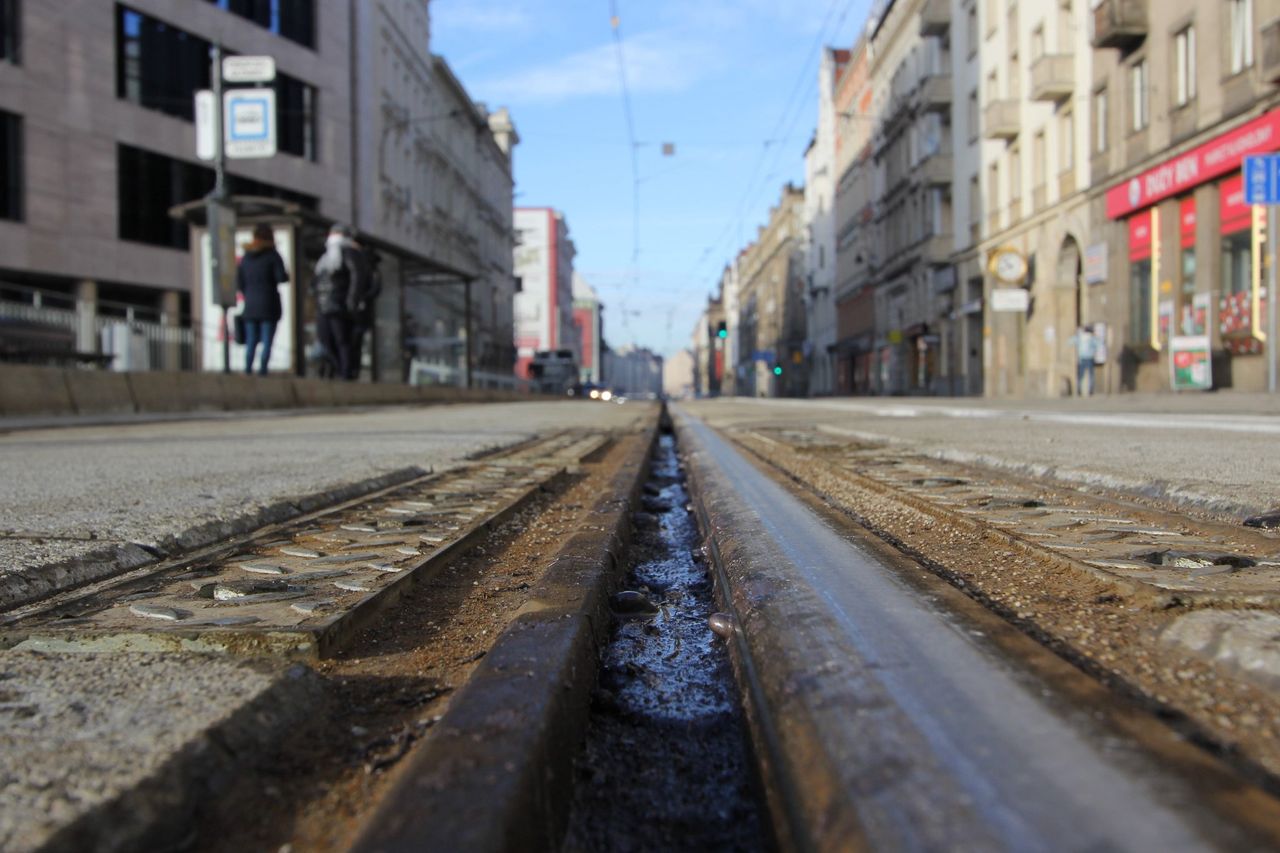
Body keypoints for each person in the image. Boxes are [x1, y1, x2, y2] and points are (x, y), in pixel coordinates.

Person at [311, 224, 366, 381]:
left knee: (342, 340)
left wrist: (351, 300)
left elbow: (357, 277)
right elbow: (317, 280)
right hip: (324, 305)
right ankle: (338, 368)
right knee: (325, 339)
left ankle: (345, 373)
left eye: (337, 233)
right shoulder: (325, 257)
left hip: (339, 304)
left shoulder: (351, 252)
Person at [235, 223, 288, 376]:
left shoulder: (246, 257)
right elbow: (280, 277)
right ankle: (262, 371)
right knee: (267, 341)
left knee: (251, 340)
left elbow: (240, 282)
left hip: (250, 304)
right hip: (269, 303)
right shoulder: (272, 255)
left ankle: (248, 370)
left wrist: (248, 294)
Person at [348, 245, 382, 380]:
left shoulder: (372, 273)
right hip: (355, 314)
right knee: (352, 343)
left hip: (360, 314)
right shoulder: (363, 271)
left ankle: (352, 370)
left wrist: (361, 298)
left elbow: (374, 290)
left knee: (355, 343)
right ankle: (350, 370)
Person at [1070, 324, 1099, 397]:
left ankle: (1079, 390)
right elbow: (1099, 344)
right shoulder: (1092, 338)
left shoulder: (1080, 337)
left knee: (1080, 375)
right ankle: (1090, 390)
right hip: (1090, 358)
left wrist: (1076, 334)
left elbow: (1070, 342)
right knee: (1091, 375)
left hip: (1082, 358)